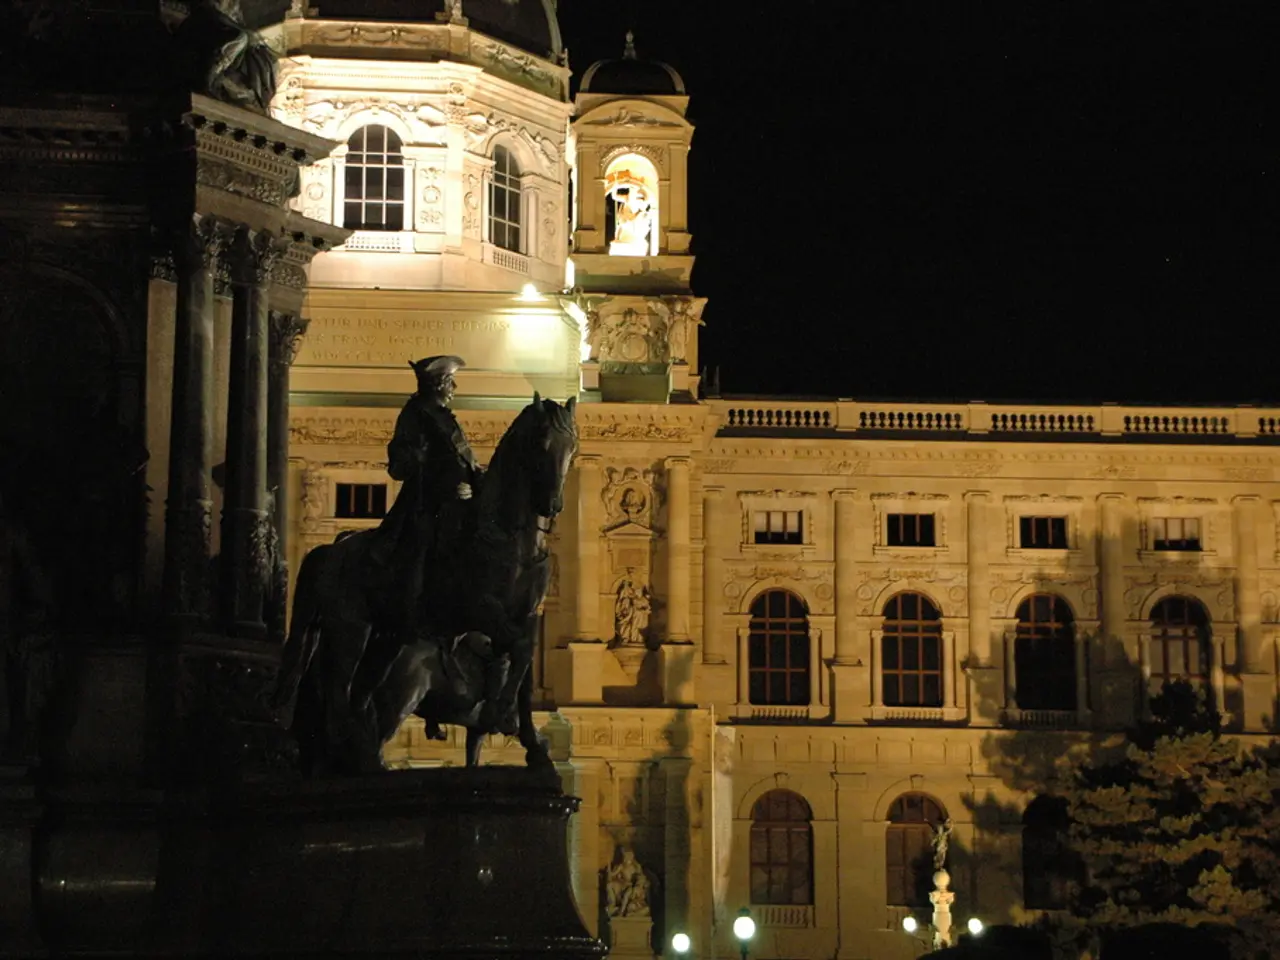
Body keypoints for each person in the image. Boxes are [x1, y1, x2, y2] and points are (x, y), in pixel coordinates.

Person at [374, 355, 483, 635]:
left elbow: (467, 462)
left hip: (458, 501)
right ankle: (411, 614)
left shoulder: (445, 417)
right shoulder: (415, 414)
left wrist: (479, 485)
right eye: (450, 381)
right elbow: (401, 465)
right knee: (425, 544)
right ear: (437, 384)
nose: (455, 386)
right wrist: (448, 487)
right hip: (427, 502)